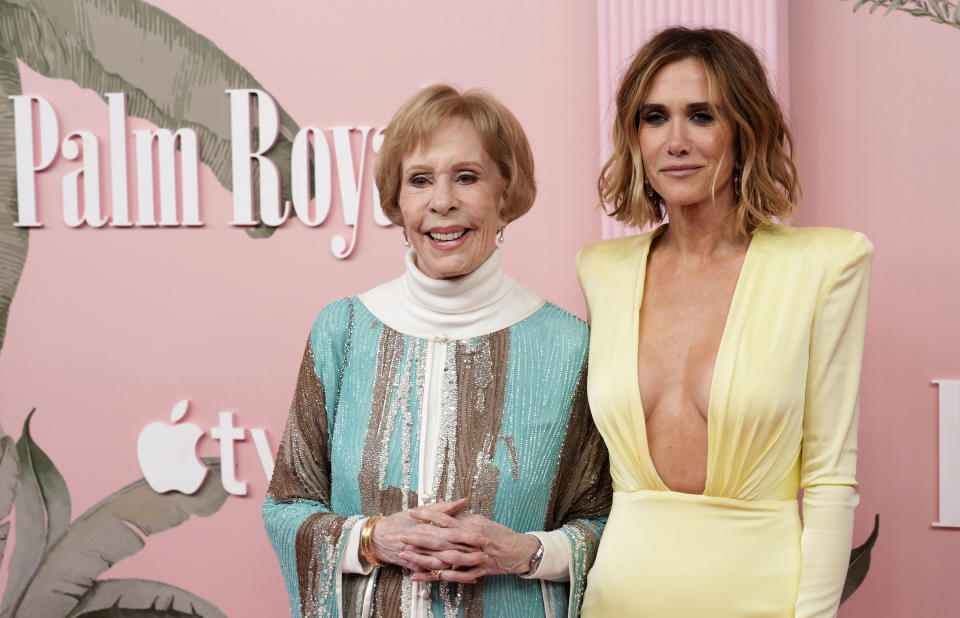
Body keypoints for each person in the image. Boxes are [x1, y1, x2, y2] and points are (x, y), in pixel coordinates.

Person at [264, 84, 611, 618]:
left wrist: (524, 553)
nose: (441, 202)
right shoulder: (343, 331)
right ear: (398, 202)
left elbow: (608, 522)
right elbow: (288, 506)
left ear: (506, 194)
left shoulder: (571, 347)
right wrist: (372, 538)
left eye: (466, 177)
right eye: (420, 180)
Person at [577, 27, 872, 617]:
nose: (676, 141)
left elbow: (831, 480)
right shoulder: (601, 271)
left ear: (745, 130)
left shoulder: (827, 264)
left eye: (703, 115)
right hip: (618, 598)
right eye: (654, 117)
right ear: (635, 138)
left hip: (759, 596)